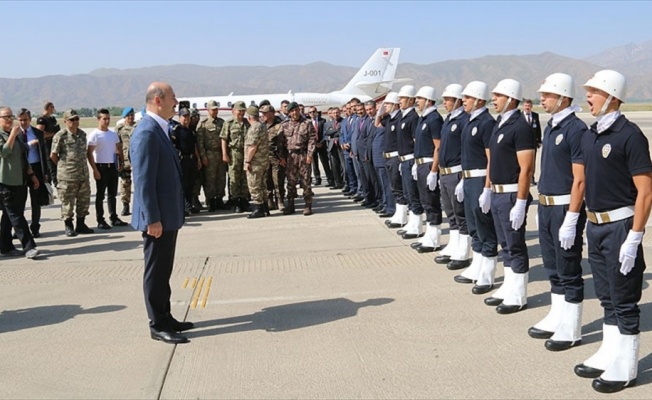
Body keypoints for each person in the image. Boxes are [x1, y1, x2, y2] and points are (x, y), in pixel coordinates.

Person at [573, 70, 652, 393]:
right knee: (606, 296)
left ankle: (627, 365)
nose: (588, 97)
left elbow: (645, 191)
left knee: (623, 299)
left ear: (612, 96)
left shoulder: (629, 135)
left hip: (620, 227)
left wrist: (635, 236)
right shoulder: (592, 134)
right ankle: (610, 351)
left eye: (593, 92)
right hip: (595, 226)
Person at [527, 73, 587, 352]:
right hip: (547, 205)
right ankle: (557, 315)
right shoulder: (551, 126)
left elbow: (580, 179)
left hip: (565, 207)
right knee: (553, 266)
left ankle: (572, 326)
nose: (542, 99)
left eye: (547, 95)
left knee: (569, 267)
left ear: (563, 97)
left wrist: (572, 217)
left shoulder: (576, 129)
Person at [130, 81, 193, 344]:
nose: (176, 102)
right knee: (156, 271)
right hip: (157, 219)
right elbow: (144, 181)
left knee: (164, 268)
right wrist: (152, 218)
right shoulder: (147, 132)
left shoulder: (159, 128)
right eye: (173, 97)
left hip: (166, 215)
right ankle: (157, 324)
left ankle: (165, 317)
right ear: (158, 100)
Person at [482, 79, 535, 315]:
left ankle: (519, 294)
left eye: (498, 96)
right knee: (505, 245)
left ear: (511, 98)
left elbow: (526, 168)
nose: (493, 99)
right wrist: (487, 188)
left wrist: (521, 202)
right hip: (497, 193)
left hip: (512, 194)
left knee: (515, 246)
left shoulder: (520, 126)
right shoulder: (500, 124)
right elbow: (492, 159)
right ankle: (508, 286)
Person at [455, 81, 498, 295]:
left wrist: (488, 188)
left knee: (484, 227)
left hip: (482, 180)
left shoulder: (486, 123)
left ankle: (487, 274)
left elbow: (491, 159)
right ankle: (477, 266)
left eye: (468, 97)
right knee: (473, 226)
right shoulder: (471, 121)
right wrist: (463, 180)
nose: (464, 100)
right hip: (470, 179)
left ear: (479, 99)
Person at [433, 84, 471, 267]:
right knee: (451, 213)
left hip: (457, 173)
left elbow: (466, 151)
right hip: (445, 173)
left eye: (448, 99)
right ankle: (454, 245)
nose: (444, 102)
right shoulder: (449, 119)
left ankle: (463, 252)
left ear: (457, 100)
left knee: (461, 214)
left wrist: (463, 178)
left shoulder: (464, 120)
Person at [0, 107, 40, 259]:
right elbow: (4, 152)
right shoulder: (7, 135)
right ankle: (29, 246)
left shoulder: (17, 135)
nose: (9, 119)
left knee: (8, 216)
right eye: (5, 117)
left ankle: (5, 246)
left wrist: (32, 175)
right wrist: (12, 136)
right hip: (5, 182)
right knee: (16, 215)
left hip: (20, 181)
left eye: (11, 116)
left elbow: (23, 156)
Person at [409, 86, 444, 251]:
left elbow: (438, 146)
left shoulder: (434, 119)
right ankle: (429, 235)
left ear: (429, 100)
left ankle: (434, 238)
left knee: (431, 202)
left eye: (420, 99)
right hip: (421, 163)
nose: (417, 101)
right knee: (425, 201)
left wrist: (434, 171)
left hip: (430, 164)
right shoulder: (424, 118)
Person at [50, 110, 95, 237]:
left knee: (83, 201)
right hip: (67, 176)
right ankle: (68, 226)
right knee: (68, 203)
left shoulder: (82, 134)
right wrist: (63, 166)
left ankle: (81, 224)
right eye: (71, 120)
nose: (75, 122)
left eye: (76, 119)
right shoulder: (60, 135)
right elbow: (53, 155)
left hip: (82, 174)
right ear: (65, 121)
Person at [87, 108, 127, 229]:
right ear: (98, 119)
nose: (107, 121)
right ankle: (100, 219)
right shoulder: (95, 135)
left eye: (108, 118)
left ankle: (113, 217)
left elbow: (118, 149)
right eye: (104, 119)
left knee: (112, 195)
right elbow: (89, 154)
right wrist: (95, 170)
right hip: (101, 167)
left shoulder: (113, 134)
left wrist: (120, 162)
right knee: (100, 196)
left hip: (112, 167)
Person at [279, 101, 316, 216]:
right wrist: (281, 157)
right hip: (290, 156)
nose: (294, 113)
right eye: (292, 111)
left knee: (306, 181)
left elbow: (312, 140)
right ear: (289, 113)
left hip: (303, 155)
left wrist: (310, 155)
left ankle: (307, 205)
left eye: (296, 110)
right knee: (290, 182)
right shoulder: (284, 125)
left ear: (299, 111)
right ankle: (291, 205)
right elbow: (280, 142)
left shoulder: (307, 123)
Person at [17, 108, 50, 237]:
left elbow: (44, 154)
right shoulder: (15, 133)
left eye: (25, 120)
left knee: (36, 201)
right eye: (20, 120)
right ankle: (20, 229)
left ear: (30, 120)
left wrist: (45, 172)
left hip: (36, 168)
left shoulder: (37, 133)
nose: (23, 122)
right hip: (21, 170)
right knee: (20, 201)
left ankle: (35, 227)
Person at [395, 85, 422, 239]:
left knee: (413, 193)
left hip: (411, 160)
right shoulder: (403, 117)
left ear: (411, 100)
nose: (400, 101)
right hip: (403, 160)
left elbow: (416, 141)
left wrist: (415, 162)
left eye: (403, 98)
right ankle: (412, 222)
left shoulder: (413, 118)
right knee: (407, 193)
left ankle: (417, 225)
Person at [196, 100, 227, 211]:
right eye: (213, 110)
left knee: (221, 177)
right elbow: (200, 143)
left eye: (216, 109)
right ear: (208, 110)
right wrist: (203, 157)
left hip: (220, 153)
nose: (215, 111)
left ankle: (219, 199)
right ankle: (211, 200)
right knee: (210, 179)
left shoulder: (222, 123)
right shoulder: (203, 124)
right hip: (209, 154)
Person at [220, 101, 250, 213]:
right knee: (234, 177)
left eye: (243, 111)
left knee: (244, 177)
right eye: (239, 111)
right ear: (234, 111)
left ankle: (244, 200)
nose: (241, 113)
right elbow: (223, 139)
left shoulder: (247, 123)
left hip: (246, 153)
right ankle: (235, 201)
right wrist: (224, 154)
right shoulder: (229, 123)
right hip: (234, 153)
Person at [171, 108, 201, 216]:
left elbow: (194, 146)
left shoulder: (191, 131)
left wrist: (198, 159)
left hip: (191, 160)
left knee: (190, 185)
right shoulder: (177, 130)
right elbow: (173, 145)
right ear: (179, 118)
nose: (186, 119)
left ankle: (189, 206)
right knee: (183, 185)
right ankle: (182, 207)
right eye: (184, 117)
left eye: (188, 117)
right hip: (182, 160)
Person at [244, 105, 270, 218]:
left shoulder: (254, 128)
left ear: (249, 117)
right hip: (264, 161)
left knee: (254, 185)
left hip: (256, 162)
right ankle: (265, 208)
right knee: (262, 185)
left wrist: (247, 161)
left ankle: (258, 208)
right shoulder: (262, 126)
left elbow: (252, 147)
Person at [261, 104, 287, 212]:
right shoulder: (262, 126)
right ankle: (269, 201)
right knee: (267, 180)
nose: (263, 115)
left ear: (271, 113)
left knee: (278, 180)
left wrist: (282, 157)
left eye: (265, 113)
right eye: (262, 113)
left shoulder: (280, 125)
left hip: (277, 157)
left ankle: (280, 201)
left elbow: (283, 143)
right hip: (265, 157)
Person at [36, 102, 60, 188]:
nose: (54, 109)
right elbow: (39, 134)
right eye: (53, 107)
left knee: (55, 168)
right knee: (50, 169)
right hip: (46, 146)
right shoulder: (42, 119)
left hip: (53, 145)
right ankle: (50, 189)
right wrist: (53, 134)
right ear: (49, 107)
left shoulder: (52, 118)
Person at [308, 107, 333, 187]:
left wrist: (321, 142)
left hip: (322, 144)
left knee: (325, 162)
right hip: (313, 145)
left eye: (313, 111)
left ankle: (330, 179)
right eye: (310, 112)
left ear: (316, 112)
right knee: (315, 163)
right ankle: (318, 179)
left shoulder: (322, 121)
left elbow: (325, 133)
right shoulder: (308, 122)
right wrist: (314, 143)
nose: (312, 113)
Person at [117, 107, 135, 216]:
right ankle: (125, 206)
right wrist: (119, 160)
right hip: (125, 160)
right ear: (125, 117)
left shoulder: (138, 127)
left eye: (132, 115)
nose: (131, 117)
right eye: (129, 115)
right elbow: (117, 145)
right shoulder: (120, 129)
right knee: (125, 183)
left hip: (137, 160)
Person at [323, 107, 344, 190]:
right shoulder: (328, 123)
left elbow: (342, 132)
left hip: (340, 145)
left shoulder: (343, 121)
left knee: (343, 165)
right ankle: (337, 182)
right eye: (334, 113)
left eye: (337, 112)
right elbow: (326, 133)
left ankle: (344, 181)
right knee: (334, 165)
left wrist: (333, 132)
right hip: (332, 146)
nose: (335, 114)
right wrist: (336, 131)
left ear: (340, 112)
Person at [523, 99, 542, 185]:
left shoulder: (535, 115)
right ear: (523, 106)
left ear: (531, 107)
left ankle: (531, 178)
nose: (527, 107)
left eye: (529, 106)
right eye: (526, 106)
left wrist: (539, 140)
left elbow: (538, 128)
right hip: (522, 143)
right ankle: (523, 178)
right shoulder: (519, 116)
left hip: (533, 143)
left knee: (532, 161)